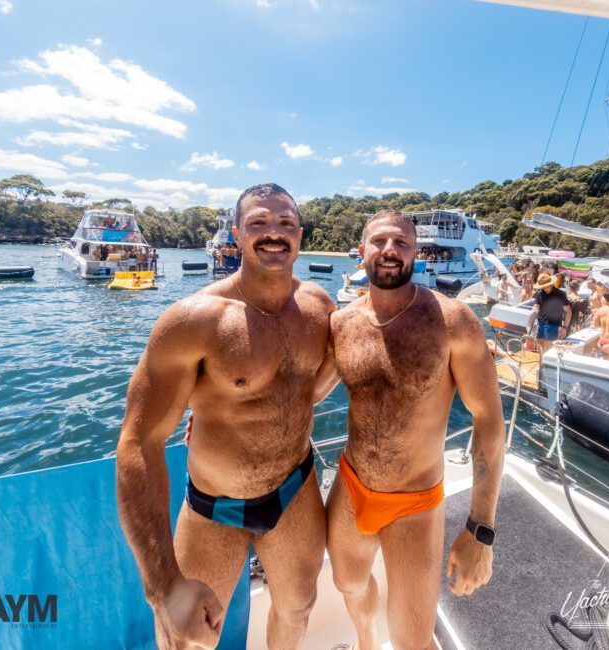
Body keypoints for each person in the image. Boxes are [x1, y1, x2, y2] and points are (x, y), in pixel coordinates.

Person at [116, 183, 337, 650]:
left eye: (285, 224)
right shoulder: (194, 321)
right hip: (215, 506)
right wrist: (162, 585)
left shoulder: (319, 308)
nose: (273, 233)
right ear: (236, 235)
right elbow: (140, 442)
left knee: (296, 609)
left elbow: (316, 385)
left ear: (300, 234)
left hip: (295, 492)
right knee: (185, 637)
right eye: (257, 223)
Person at [327, 210, 505, 650]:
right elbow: (302, 390)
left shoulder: (452, 321)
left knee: (412, 639)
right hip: (351, 491)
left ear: (415, 252)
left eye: (402, 243)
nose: (390, 250)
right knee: (348, 585)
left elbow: (487, 419)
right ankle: (367, 644)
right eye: (379, 241)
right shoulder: (342, 325)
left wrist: (480, 530)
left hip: (416, 503)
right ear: (362, 250)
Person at [529, 274, 572, 352]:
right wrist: (531, 321)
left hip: (553, 325)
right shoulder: (539, 293)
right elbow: (535, 307)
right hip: (540, 323)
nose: (542, 287)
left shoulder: (560, 294)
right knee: (540, 349)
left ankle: (546, 363)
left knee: (549, 350)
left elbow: (568, 311)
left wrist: (564, 328)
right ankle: (541, 362)